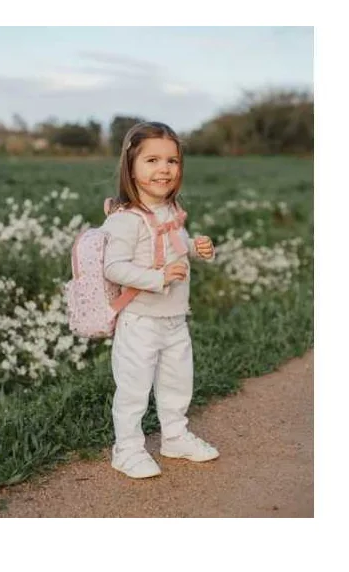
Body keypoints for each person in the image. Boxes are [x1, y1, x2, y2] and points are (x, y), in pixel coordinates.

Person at [102, 121, 219, 479]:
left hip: (174, 318)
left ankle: (175, 437)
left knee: (177, 382)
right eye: (152, 160)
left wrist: (197, 249)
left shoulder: (171, 210)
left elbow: (173, 249)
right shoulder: (126, 220)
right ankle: (127, 449)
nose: (164, 169)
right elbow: (113, 267)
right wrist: (158, 278)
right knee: (134, 388)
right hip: (140, 319)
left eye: (172, 161)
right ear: (131, 167)